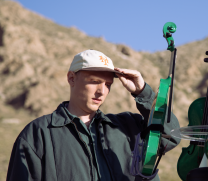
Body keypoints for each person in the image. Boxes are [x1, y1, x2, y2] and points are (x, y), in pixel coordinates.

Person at [6, 49, 180, 181]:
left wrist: (143, 93)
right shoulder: (38, 133)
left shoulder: (128, 126)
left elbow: (170, 137)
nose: (101, 91)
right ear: (71, 78)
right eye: (94, 82)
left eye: (108, 84)